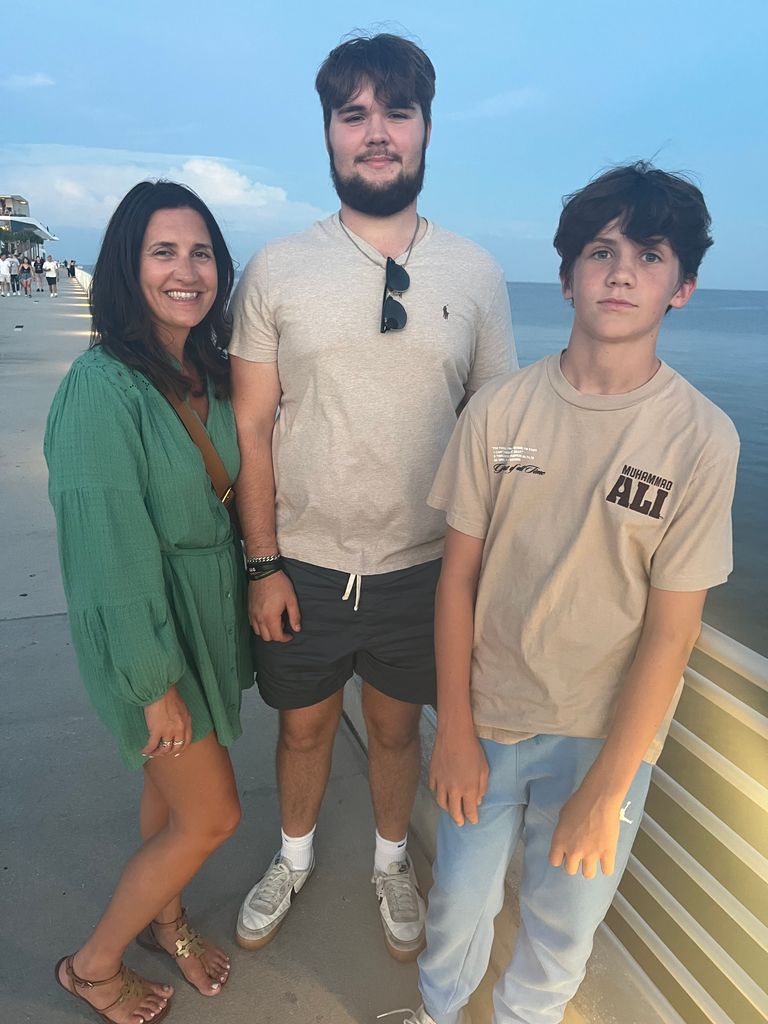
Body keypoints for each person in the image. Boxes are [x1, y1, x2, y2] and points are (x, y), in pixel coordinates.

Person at [393, 163, 740, 1024]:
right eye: (601, 249)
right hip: (487, 719)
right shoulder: (499, 413)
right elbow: (458, 580)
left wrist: (609, 788)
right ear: (566, 277)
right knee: (456, 913)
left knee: (560, 934)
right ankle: (438, 1016)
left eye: (651, 255)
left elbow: (671, 632)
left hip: (603, 741)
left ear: (683, 288)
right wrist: (455, 733)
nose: (621, 271)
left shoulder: (702, 438)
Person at [229, 32, 515, 962]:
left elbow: (495, 437)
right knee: (303, 731)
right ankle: (295, 857)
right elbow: (254, 430)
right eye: (354, 114)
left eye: (396, 112)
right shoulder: (276, 268)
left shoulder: (473, 273)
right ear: (327, 135)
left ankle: (391, 864)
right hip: (303, 564)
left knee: (396, 734)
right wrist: (263, 562)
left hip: (421, 570)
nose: (376, 133)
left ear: (427, 129)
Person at [46, 180, 254, 1024]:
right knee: (213, 816)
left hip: (201, 615)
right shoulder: (102, 387)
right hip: (146, 628)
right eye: (163, 251)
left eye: (200, 252)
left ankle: (164, 919)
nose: (186, 269)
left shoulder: (206, 370)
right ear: (128, 268)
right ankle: (91, 966)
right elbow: (107, 554)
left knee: (169, 794)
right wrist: (152, 679)